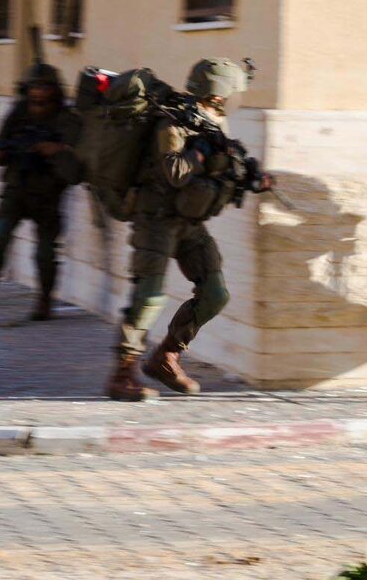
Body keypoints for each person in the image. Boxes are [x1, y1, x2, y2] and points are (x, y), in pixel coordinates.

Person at [106, 58, 274, 402]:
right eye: (231, 93)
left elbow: (218, 165)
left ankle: (166, 356)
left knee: (215, 294)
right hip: (156, 221)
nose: (232, 100)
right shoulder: (172, 122)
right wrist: (200, 153)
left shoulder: (209, 123)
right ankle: (122, 374)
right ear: (217, 93)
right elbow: (176, 172)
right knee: (149, 297)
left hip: (189, 223)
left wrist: (250, 176)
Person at [0, 64, 81, 322]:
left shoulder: (66, 118)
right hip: (16, 189)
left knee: (45, 252)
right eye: (34, 87)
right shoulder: (18, 113)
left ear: (54, 91)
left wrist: (57, 149)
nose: (38, 94)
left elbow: (78, 156)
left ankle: (44, 299)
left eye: (44, 87)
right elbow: (1, 142)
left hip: (48, 194)